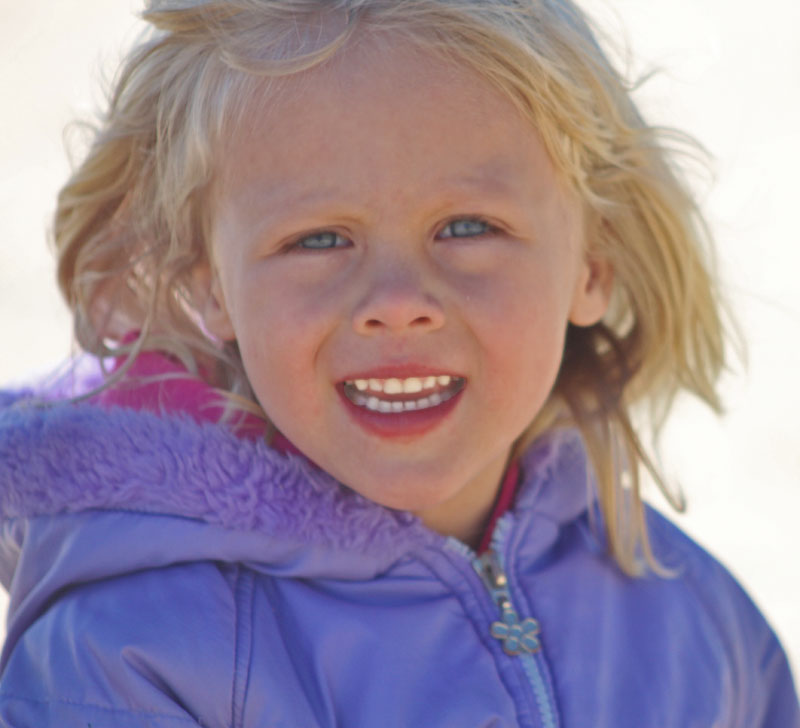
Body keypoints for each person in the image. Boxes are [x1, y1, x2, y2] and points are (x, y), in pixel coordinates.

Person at [0, 0, 797, 725]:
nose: (396, 299)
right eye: (317, 239)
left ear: (593, 261)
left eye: (468, 227)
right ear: (213, 288)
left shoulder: (697, 622)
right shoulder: (126, 657)